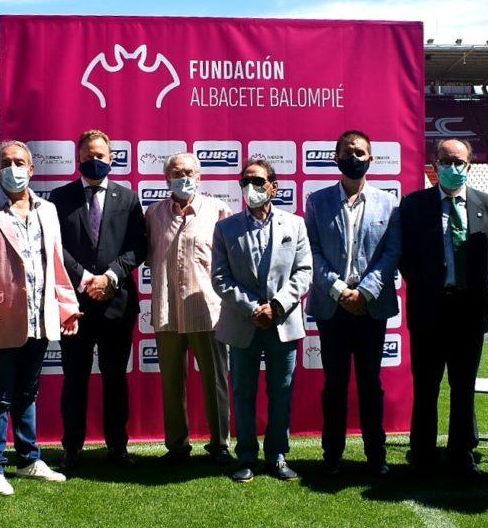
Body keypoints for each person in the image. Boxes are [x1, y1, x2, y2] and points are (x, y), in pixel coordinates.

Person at [0, 140, 82, 496]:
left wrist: (67, 307)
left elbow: (56, 265)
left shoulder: (47, 210)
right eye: (5, 162)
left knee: (28, 392)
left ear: (31, 169)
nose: (12, 168)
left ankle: (29, 459)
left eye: (19, 162)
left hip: (40, 318)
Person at [49, 129, 147, 471]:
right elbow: (54, 246)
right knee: (74, 379)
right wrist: (85, 278)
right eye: (88, 156)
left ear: (112, 158)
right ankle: (71, 449)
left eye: (101, 156)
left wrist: (111, 277)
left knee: (115, 379)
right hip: (73, 306)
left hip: (116, 304)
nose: (95, 161)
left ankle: (117, 448)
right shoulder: (58, 199)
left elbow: (138, 247)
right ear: (78, 158)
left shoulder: (129, 198)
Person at [305, 130, 401, 476]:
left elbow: (392, 252)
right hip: (333, 308)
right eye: (348, 152)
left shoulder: (388, 202)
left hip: (370, 308)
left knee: (370, 385)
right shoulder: (316, 202)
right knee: (334, 385)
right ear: (336, 158)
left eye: (360, 152)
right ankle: (333, 455)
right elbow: (311, 251)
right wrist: (339, 291)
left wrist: (366, 292)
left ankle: (377, 456)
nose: (354, 157)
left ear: (371, 158)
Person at [398, 138, 488, 479]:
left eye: (459, 162)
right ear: (434, 164)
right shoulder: (414, 205)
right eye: (445, 161)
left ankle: (461, 452)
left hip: (469, 311)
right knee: (426, 383)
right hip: (429, 309)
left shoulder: (487, 205)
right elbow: (405, 257)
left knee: (464, 384)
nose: (452, 168)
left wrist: (472, 285)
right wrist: (431, 287)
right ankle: (422, 451)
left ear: (469, 165)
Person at [212, 159, 313, 483]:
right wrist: (253, 308)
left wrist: (277, 306)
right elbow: (220, 277)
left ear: (274, 186)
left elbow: (303, 272)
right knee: (243, 392)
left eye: (257, 182)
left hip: (282, 323)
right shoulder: (225, 228)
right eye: (245, 182)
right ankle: (246, 456)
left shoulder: (294, 225)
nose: (250, 189)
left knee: (281, 391)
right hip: (244, 323)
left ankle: (277, 455)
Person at [145, 151, 233, 465]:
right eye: (177, 172)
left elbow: (232, 260)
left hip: (207, 309)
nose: (184, 177)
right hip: (167, 310)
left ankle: (220, 445)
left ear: (200, 176)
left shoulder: (218, 210)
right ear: (167, 178)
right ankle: (177, 446)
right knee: (171, 383)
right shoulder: (153, 214)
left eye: (190, 172)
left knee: (216, 379)